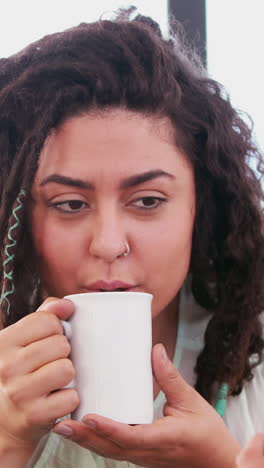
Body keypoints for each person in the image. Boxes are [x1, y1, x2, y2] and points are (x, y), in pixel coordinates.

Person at [0, 7, 263, 468]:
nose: (108, 243)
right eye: (70, 204)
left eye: (147, 201)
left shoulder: (252, 342)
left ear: (200, 205)